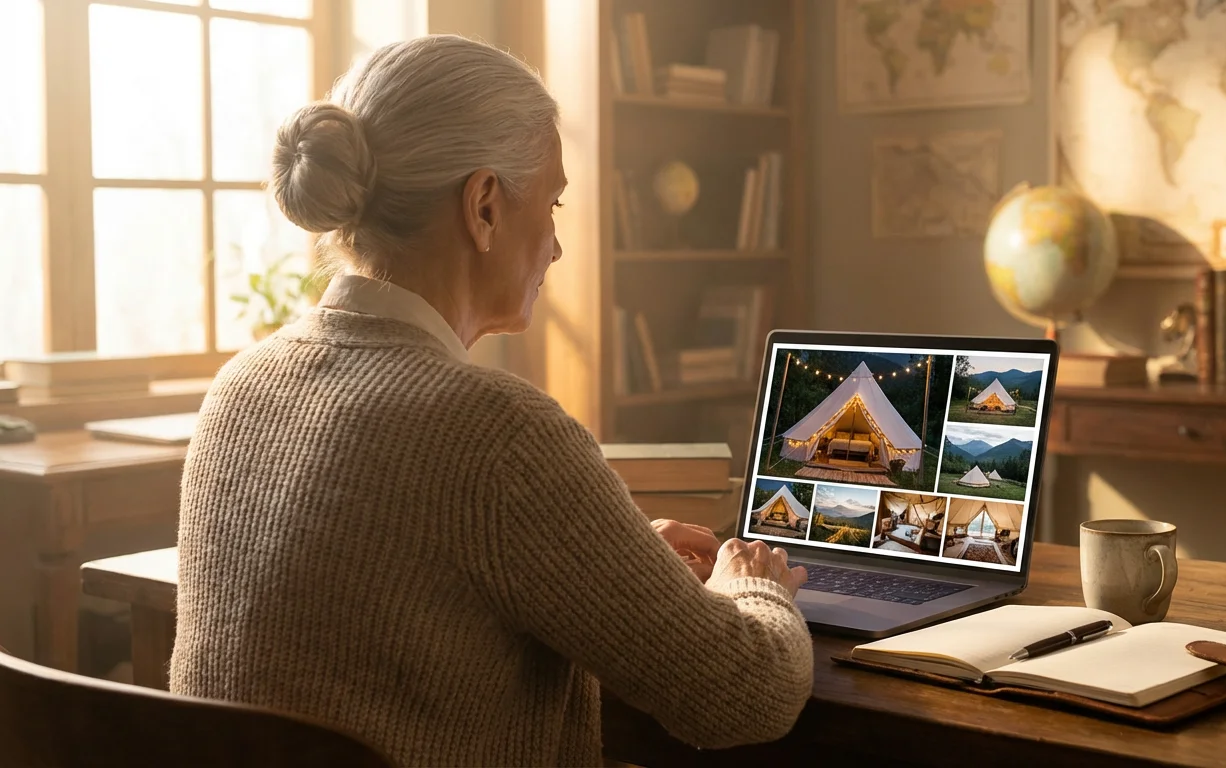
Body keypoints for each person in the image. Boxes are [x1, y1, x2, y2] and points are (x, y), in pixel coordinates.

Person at [168, 33, 812, 767]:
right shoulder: (499, 434)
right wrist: (752, 588)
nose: (557, 245)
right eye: (553, 201)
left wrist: (625, 566)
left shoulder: (240, 385)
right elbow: (744, 695)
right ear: (483, 206)